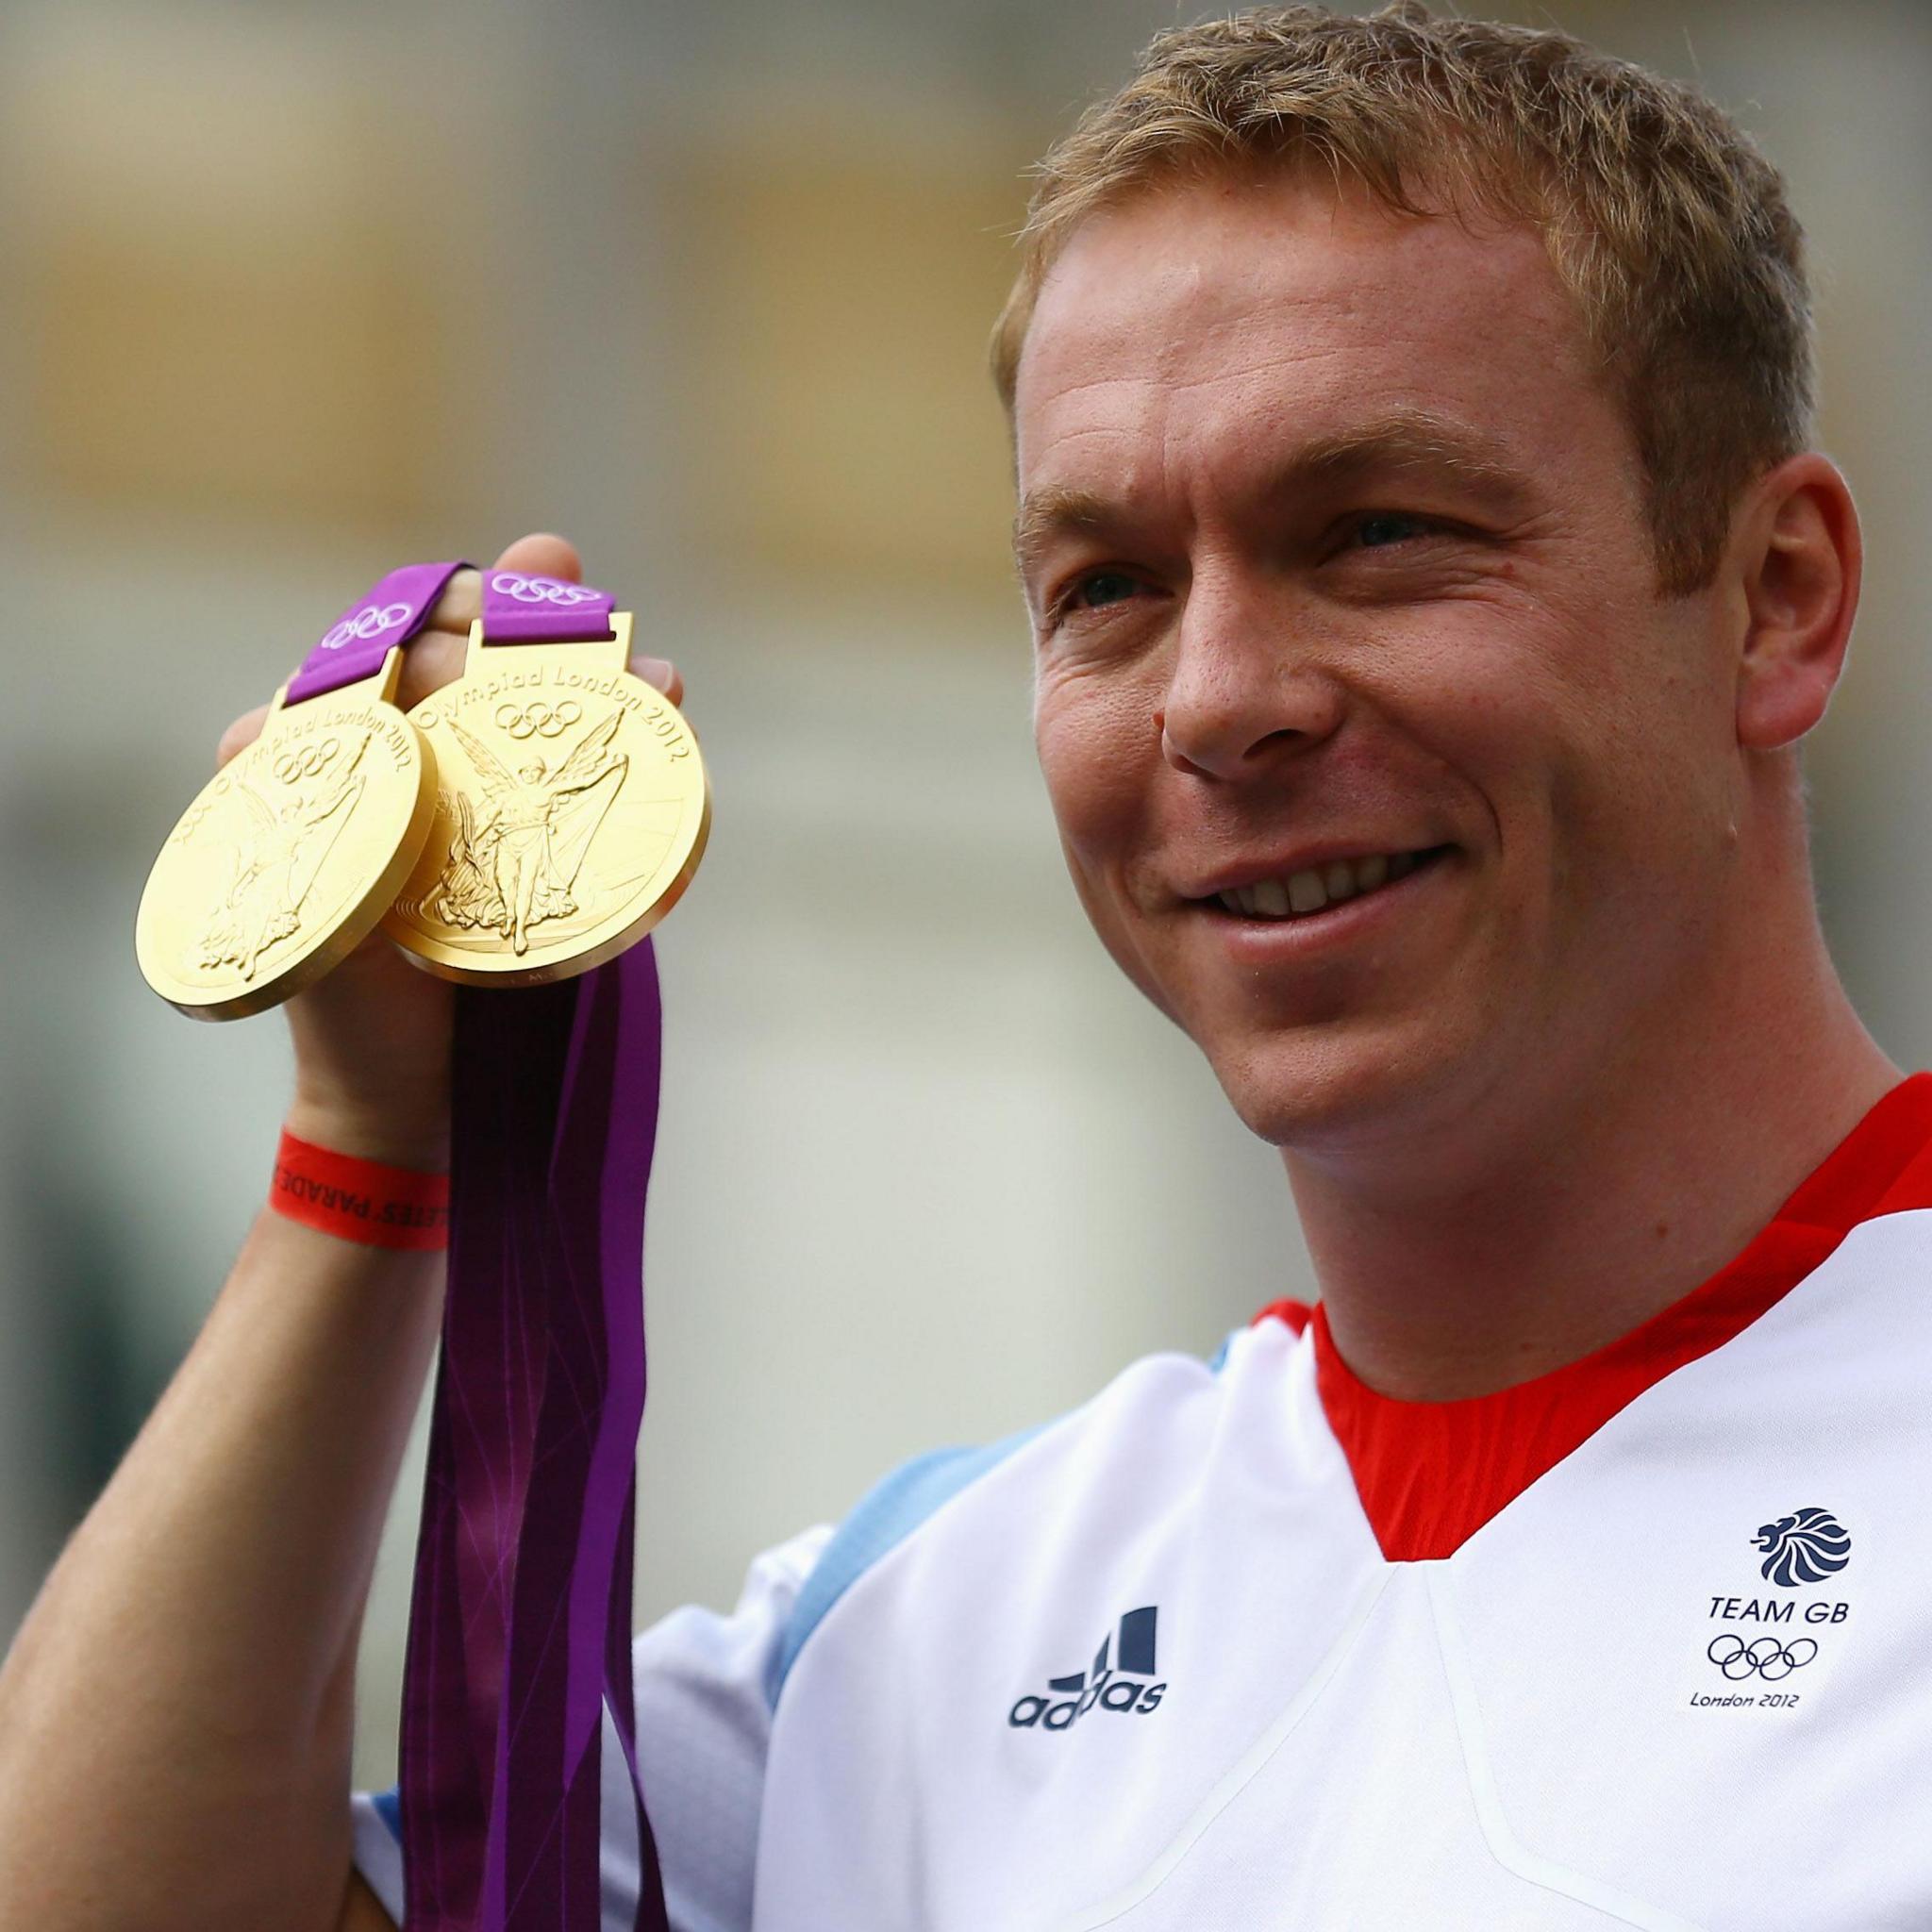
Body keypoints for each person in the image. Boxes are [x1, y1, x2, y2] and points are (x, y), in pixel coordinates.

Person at [4, 4, 1928, 1926]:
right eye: (1107, 588)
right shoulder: (920, 1638)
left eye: (1376, 535)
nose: (1220, 702)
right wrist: (379, 1149)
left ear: (1774, 601)